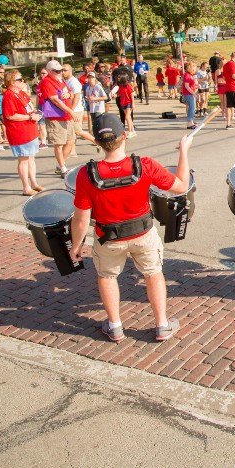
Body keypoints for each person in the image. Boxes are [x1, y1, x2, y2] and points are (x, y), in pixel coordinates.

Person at [69, 114, 194, 342]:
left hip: (108, 237)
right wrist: (183, 151)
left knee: (107, 276)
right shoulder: (144, 165)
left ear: (96, 142)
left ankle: (115, 326)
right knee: (153, 274)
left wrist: (76, 246)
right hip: (143, 233)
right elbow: (182, 186)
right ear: (124, 136)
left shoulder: (86, 175)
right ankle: (162, 325)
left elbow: (81, 219)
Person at [1, 69, 43, 195]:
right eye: (19, 79)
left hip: (30, 130)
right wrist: (30, 117)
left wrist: (35, 114)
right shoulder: (9, 96)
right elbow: (10, 115)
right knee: (23, 160)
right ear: (12, 82)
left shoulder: (22, 93)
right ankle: (26, 187)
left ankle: (34, 183)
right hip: (20, 132)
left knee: (31, 158)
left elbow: (28, 109)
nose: (22, 81)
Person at [39, 60, 76, 177]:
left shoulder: (61, 80)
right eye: (57, 71)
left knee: (70, 142)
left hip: (66, 116)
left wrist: (69, 95)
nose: (60, 72)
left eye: (60, 70)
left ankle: (60, 164)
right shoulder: (47, 82)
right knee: (59, 144)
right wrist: (70, 110)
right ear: (49, 71)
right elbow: (54, 99)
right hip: (56, 117)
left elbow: (71, 93)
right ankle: (63, 168)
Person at [63, 64, 97, 151]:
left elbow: (77, 97)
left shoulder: (74, 82)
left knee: (77, 130)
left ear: (70, 71)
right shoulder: (63, 81)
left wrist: (71, 110)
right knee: (71, 131)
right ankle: (72, 151)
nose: (63, 72)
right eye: (62, 70)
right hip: (68, 109)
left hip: (76, 110)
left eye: (65, 70)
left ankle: (96, 141)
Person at [182, 62, 198, 129]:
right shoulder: (187, 75)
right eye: (193, 67)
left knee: (192, 108)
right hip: (188, 94)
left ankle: (191, 121)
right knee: (192, 107)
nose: (195, 69)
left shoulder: (191, 75)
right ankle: (189, 122)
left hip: (190, 93)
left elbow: (193, 84)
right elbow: (187, 86)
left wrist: (197, 84)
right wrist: (193, 93)